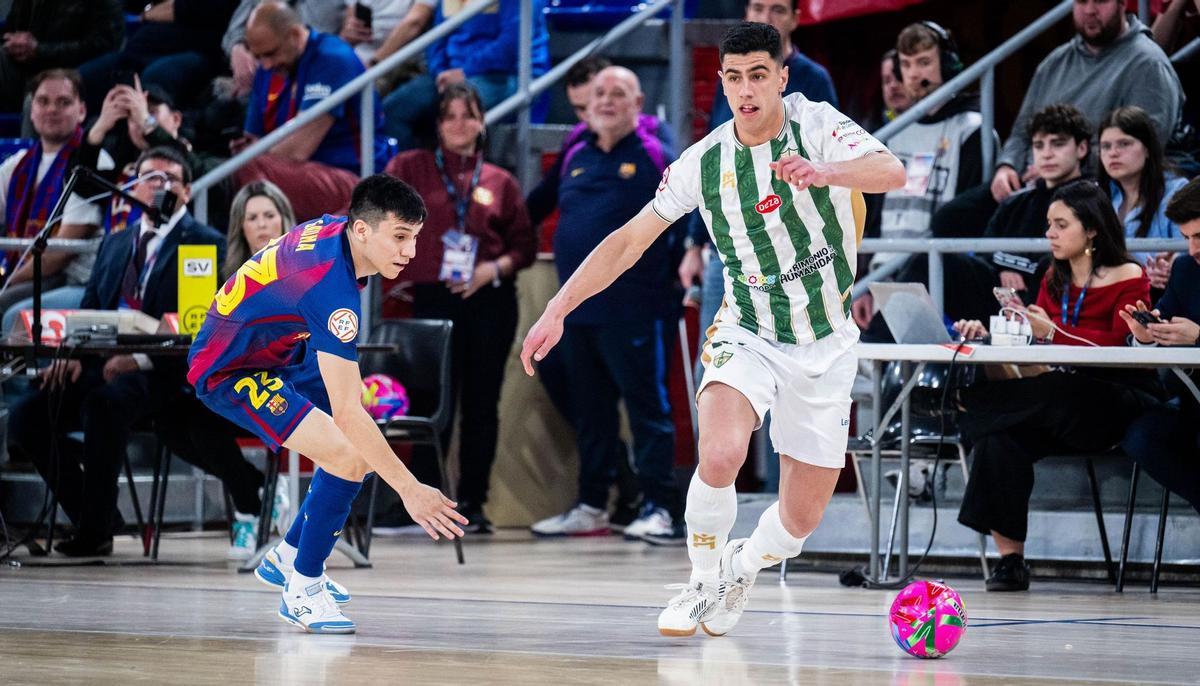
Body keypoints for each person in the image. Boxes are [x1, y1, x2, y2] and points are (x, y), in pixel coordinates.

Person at [521, 22, 904, 635]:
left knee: (800, 522)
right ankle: (699, 582)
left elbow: (892, 171)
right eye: (733, 78)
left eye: (759, 75)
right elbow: (628, 243)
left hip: (826, 341)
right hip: (748, 329)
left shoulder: (818, 124)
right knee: (721, 451)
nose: (747, 89)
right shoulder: (704, 161)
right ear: (721, 85)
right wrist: (557, 308)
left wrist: (826, 173)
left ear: (781, 77)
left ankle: (742, 567)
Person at [188, 174, 465, 634]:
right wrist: (410, 489)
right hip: (229, 370)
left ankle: (290, 556)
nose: (409, 252)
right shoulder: (333, 294)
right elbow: (349, 412)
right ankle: (303, 590)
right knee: (349, 452)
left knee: (350, 451)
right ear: (362, 231)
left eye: (414, 238)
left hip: (273, 353)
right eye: (399, 237)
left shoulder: (337, 229)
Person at [7, 147, 267, 558]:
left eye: (169, 180)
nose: (159, 187)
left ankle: (94, 534)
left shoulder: (204, 244)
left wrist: (139, 359)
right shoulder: (115, 242)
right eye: (150, 178)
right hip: (101, 364)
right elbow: (91, 306)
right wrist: (71, 354)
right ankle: (99, 513)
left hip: (162, 373)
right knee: (28, 417)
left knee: (105, 404)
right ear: (132, 185)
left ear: (185, 191)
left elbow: (195, 328)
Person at [952, 180, 1161, 592]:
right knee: (999, 438)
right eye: (1049, 224)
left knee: (1059, 391)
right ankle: (1011, 563)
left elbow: (1121, 347)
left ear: (1093, 230)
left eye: (1061, 224)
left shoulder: (1130, 275)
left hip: (1114, 399)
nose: (1050, 233)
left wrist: (1053, 333)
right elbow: (1041, 347)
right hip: (1055, 402)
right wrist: (1004, 329)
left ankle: (969, 408)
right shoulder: (1053, 279)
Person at [527, 66, 684, 543]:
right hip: (578, 312)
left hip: (636, 306)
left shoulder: (656, 155)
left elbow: (688, 217)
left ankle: (660, 507)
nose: (607, 101)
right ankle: (593, 504)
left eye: (619, 93)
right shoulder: (575, 151)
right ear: (585, 104)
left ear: (638, 105)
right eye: (599, 93)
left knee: (646, 410)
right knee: (591, 412)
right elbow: (534, 206)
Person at [382, 83, 534, 533]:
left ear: (482, 122)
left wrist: (491, 270)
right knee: (429, 402)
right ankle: (425, 503)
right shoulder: (411, 168)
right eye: (449, 116)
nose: (459, 125)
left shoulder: (500, 180)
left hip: (487, 297)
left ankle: (473, 504)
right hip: (431, 298)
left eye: (468, 115)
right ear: (436, 124)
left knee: (482, 403)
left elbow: (525, 247)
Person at [678, 0, 839, 347]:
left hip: (791, 251)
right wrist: (695, 243)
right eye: (758, 8)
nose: (766, 18)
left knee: (781, 363)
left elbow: (835, 165)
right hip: (729, 248)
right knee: (715, 362)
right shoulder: (734, 78)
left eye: (777, 10)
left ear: (796, 19)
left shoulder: (814, 79)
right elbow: (712, 158)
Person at [990, 0, 1183, 203]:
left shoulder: (1148, 64)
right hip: (1029, 182)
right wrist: (1007, 166)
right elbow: (1022, 130)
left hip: (1092, 188)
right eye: (1081, 1)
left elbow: (1142, 145)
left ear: (1123, 3)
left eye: (1100, 1)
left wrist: (1062, 165)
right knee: (957, 214)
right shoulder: (1054, 63)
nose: (1090, 10)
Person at [232, 1, 388, 223]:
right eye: (258, 57)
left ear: (295, 34)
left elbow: (298, 149)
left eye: (270, 54)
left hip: (354, 179)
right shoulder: (267, 70)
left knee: (249, 166)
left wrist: (254, 155)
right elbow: (253, 139)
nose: (265, 65)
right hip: (294, 175)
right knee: (238, 167)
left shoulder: (332, 58)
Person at [874, 21, 996, 270]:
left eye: (924, 62)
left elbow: (973, 214)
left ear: (948, 64)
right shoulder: (893, 133)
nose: (914, 74)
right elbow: (873, 216)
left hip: (943, 267)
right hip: (885, 269)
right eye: (906, 65)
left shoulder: (972, 130)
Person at [0, 69, 112, 325]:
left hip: (74, 278)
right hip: (29, 272)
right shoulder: (16, 165)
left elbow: (61, 253)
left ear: (82, 110)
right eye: (43, 101)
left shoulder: (94, 162)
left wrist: (7, 279)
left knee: (7, 309)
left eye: (63, 102)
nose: (52, 109)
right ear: (31, 110)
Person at [1120, 177, 1200, 515]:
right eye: (1186, 239)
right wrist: (1144, 334)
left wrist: (1198, 338)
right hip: (1193, 405)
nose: (1193, 249)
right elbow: (1161, 319)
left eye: (1199, 236)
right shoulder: (1185, 270)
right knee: (1142, 436)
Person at [382, 0, 550, 150]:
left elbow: (510, 45)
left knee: (459, 108)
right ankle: (410, 176)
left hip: (508, 75)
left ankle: (469, 178)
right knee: (394, 107)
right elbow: (437, 38)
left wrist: (465, 72)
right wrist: (440, 72)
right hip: (450, 75)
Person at [77, 0, 240, 113]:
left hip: (201, 54)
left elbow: (193, 8)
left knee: (155, 81)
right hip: (139, 49)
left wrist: (150, 13)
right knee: (81, 80)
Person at [1097, 106, 1188, 289]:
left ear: (1147, 149)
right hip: (1108, 289)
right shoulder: (1096, 194)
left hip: (1162, 293)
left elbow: (1190, 248)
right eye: (1106, 146)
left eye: (1124, 144)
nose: (1113, 153)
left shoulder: (1178, 191)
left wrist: (1172, 263)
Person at [0, 1, 123, 112]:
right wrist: (14, 42)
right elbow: (11, 28)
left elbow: (103, 46)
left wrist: (40, 50)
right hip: (26, 66)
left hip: (73, 71)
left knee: (38, 102)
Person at [223, 180, 296, 281]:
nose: (262, 224)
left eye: (269, 216)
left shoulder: (306, 268)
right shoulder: (225, 281)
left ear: (284, 220)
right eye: (252, 218)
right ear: (240, 227)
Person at [339, 0, 436, 68]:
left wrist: (374, 63)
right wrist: (348, 36)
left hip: (400, 62)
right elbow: (349, 22)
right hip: (357, 57)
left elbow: (414, 23)